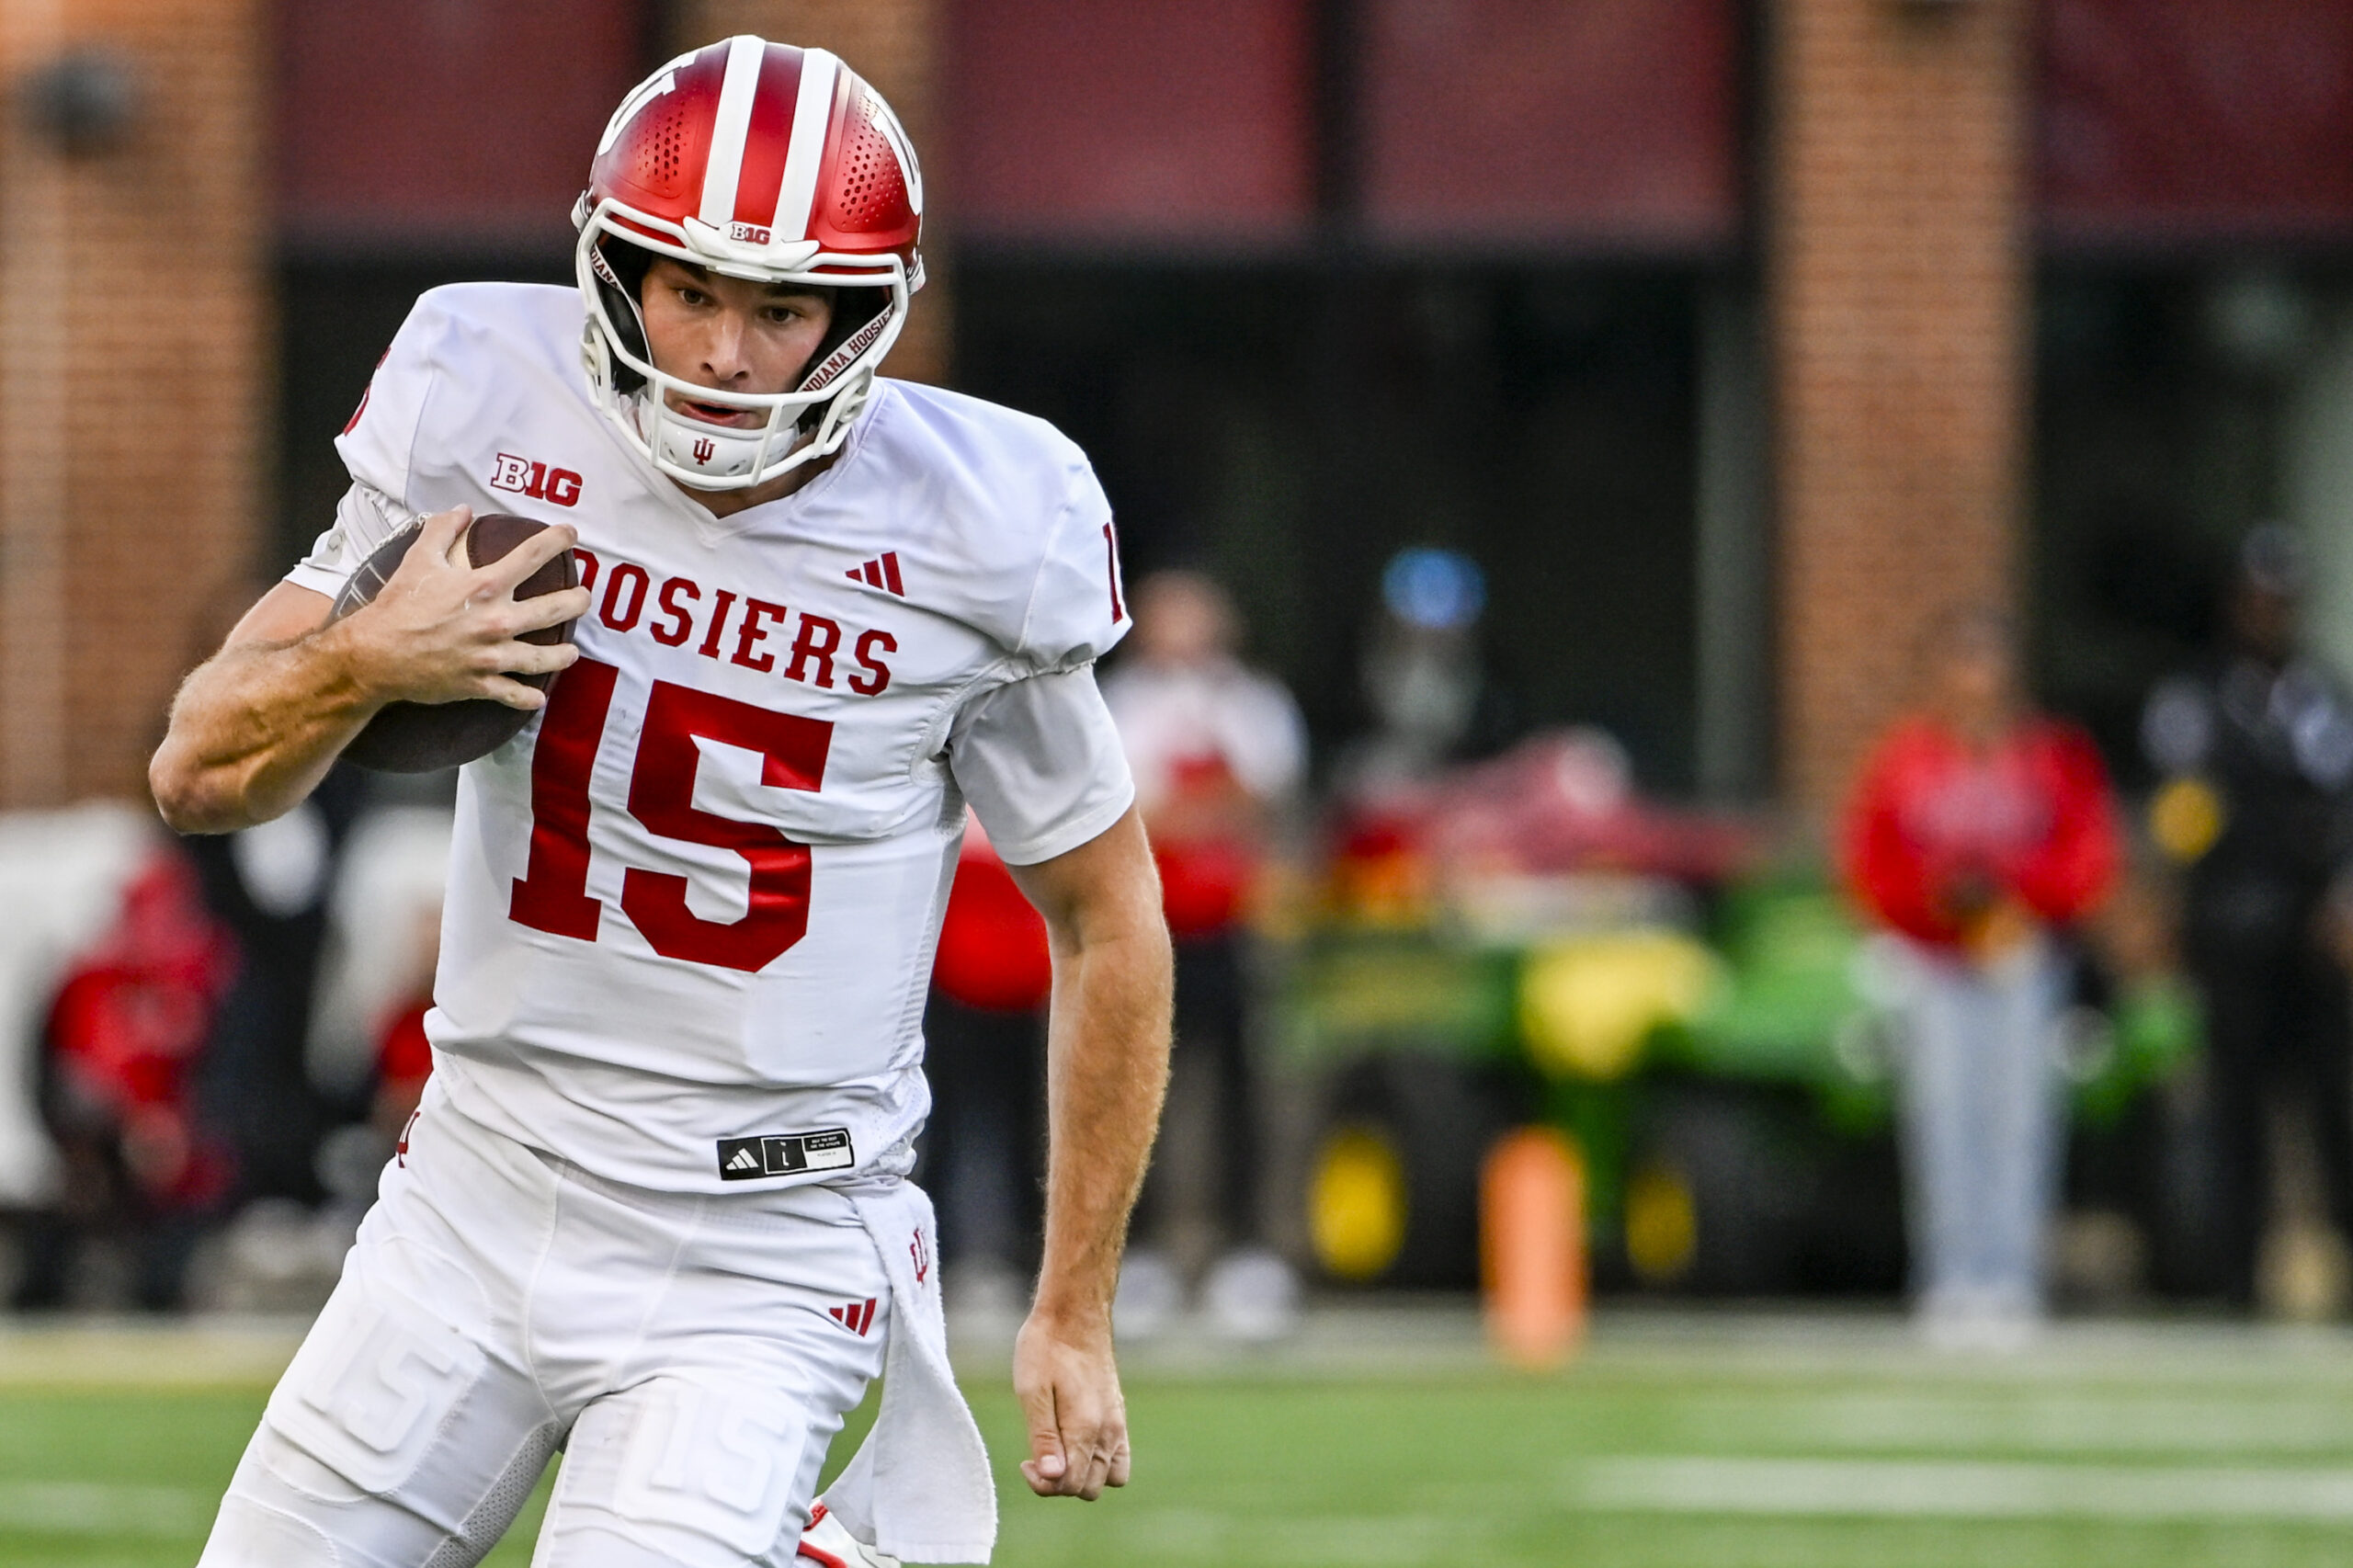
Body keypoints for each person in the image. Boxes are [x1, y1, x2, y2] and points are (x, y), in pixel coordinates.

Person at [149, 37, 1170, 1568]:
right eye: (691, 289)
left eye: (780, 307)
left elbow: (1107, 922)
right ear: (612, 266)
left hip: (759, 1251)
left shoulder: (983, 523)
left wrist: (1073, 1303)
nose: (728, 357)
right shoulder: (484, 393)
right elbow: (198, 772)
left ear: (860, 318)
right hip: (472, 1191)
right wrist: (368, 655)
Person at [1840, 608, 2119, 1346]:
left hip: (2022, 960)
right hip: (1938, 962)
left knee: (2019, 1124)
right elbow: (1871, 861)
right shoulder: (1907, 759)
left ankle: (2012, 1277)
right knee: (1943, 1121)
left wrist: (2019, 893)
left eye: (1987, 665)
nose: (1975, 682)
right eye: (1962, 665)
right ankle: (1951, 1275)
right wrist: (1936, 901)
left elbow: (2088, 854)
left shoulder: (2049, 756)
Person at [2141, 526, 2353, 1307]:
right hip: (2228, 926)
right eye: (2258, 599)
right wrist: (2169, 902)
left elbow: (2342, 806)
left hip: (2311, 930)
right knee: (2234, 1106)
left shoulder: (2319, 697)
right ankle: (2235, 1279)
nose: (2269, 615)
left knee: (2333, 1103)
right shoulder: (2193, 698)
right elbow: (2178, 813)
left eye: (2282, 601)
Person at [1100, 571, 1305, 1337]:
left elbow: (1263, 803)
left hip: (1230, 927)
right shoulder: (1123, 704)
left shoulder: (1253, 704)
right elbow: (1128, 810)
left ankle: (1248, 1255)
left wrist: (1195, 813)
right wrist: (1199, 815)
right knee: (1133, 1088)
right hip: (1150, 922)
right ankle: (1139, 1252)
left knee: (1241, 1093)